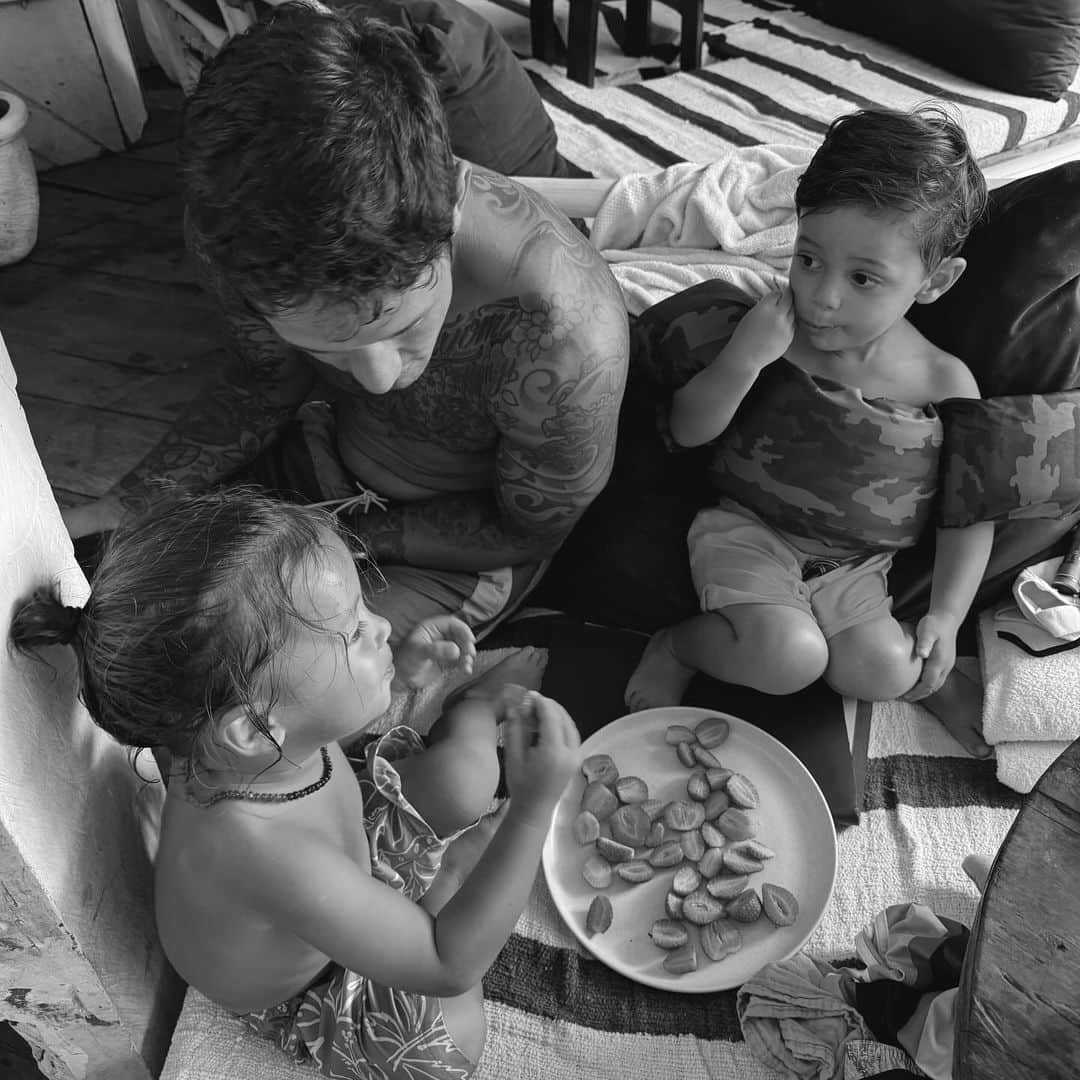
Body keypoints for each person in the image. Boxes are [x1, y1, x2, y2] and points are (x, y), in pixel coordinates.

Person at [61, 2, 629, 642]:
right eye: (329, 349)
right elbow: (259, 383)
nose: (380, 378)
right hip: (313, 456)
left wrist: (331, 540)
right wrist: (126, 505)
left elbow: (523, 528)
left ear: (447, 221)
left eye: (406, 328)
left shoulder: (562, 330)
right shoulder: (240, 238)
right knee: (114, 604)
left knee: (280, 694)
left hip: (459, 547)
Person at [12, 488, 581, 1077]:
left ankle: (473, 711)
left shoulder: (219, 731)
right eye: (354, 633)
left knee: (464, 781)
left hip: (337, 847)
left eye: (363, 611)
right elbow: (446, 964)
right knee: (453, 1050)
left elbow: (317, 732)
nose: (384, 626)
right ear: (255, 729)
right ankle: (448, 876)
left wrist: (400, 676)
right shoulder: (262, 852)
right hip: (315, 979)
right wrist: (532, 812)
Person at [624, 106, 994, 757]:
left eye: (862, 279)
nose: (821, 296)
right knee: (788, 658)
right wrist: (744, 358)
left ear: (935, 281)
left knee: (885, 672)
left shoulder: (944, 382)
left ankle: (898, 667)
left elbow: (971, 515)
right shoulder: (775, 331)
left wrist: (948, 612)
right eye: (808, 258)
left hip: (857, 565)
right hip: (747, 532)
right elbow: (687, 429)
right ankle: (678, 642)